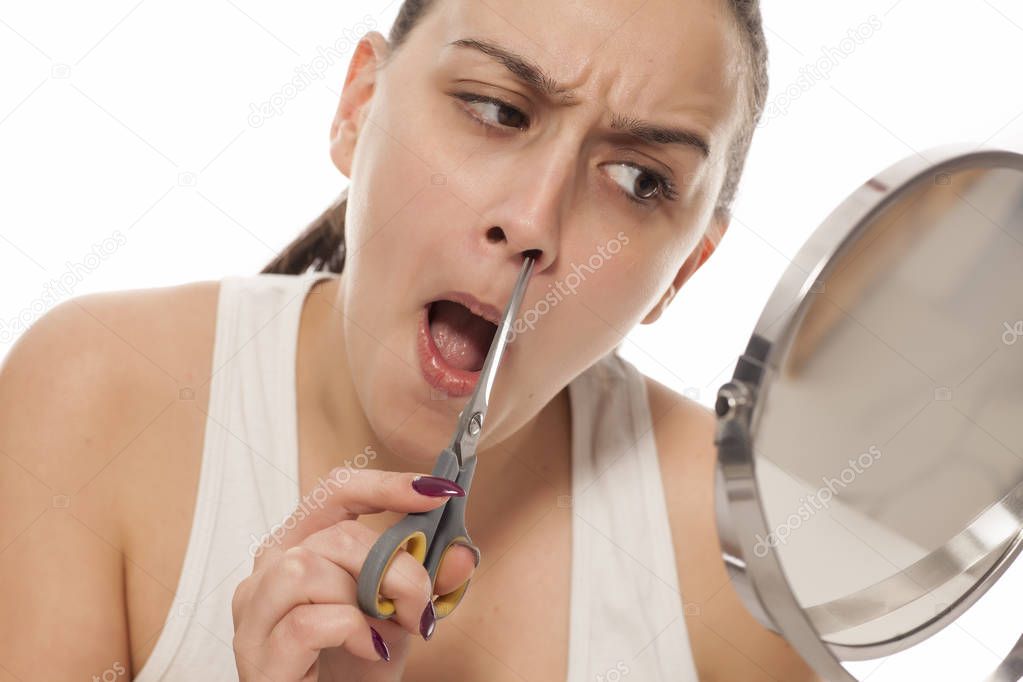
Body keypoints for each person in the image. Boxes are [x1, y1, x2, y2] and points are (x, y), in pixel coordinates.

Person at [0, 0, 820, 679]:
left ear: (682, 273)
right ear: (358, 107)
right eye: (496, 109)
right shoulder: (95, 395)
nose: (533, 221)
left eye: (639, 180)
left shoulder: (740, 545)